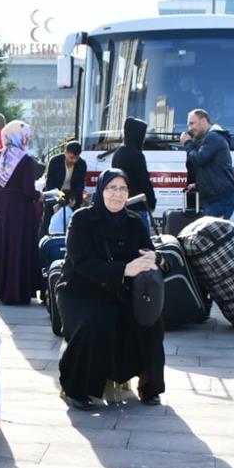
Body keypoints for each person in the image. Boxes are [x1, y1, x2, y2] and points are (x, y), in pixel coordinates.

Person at [55, 168, 165, 409]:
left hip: (120, 290)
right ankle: (78, 389)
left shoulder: (134, 222)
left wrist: (154, 258)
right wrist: (124, 269)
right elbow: (81, 262)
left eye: (123, 188)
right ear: (101, 191)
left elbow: (150, 253)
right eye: (111, 188)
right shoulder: (82, 219)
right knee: (95, 321)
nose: (117, 194)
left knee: (150, 322)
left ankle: (149, 384)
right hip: (80, 289)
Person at [0, 121, 42, 305]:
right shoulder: (25, 160)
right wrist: (39, 195)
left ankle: (4, 290)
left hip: (3, 207)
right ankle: (19, 291)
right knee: (20, 247)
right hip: (21, 209)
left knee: (5, 246)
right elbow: (28, 190)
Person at [181, 108, 234, 218]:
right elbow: (212, 169)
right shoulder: (210, 137)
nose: (190, 128)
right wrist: (198, 185)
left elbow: (198, 159)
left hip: (219, 199)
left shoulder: (213, 137)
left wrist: (187, 143)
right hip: (216, 198)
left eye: (192, 123)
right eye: (189, 125)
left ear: (203, 121)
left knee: (212, 234)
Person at [111, 118, 155, 232]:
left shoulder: (118, 153)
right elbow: (144, 181)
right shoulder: (137, 155)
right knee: (142, 243)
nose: (144, 138)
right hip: (137, 205)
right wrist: (151, 202)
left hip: (121, 204)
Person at [45, 140, 88, 206]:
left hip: (72, 197)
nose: (74, 160)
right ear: (65, 153)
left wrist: (72, 199)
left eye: (76, 158)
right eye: (71, 157)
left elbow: (80, 184)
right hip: (54, 194)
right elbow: (50, 183)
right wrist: (60, 198)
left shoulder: (82, 164)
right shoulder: (54, 161)